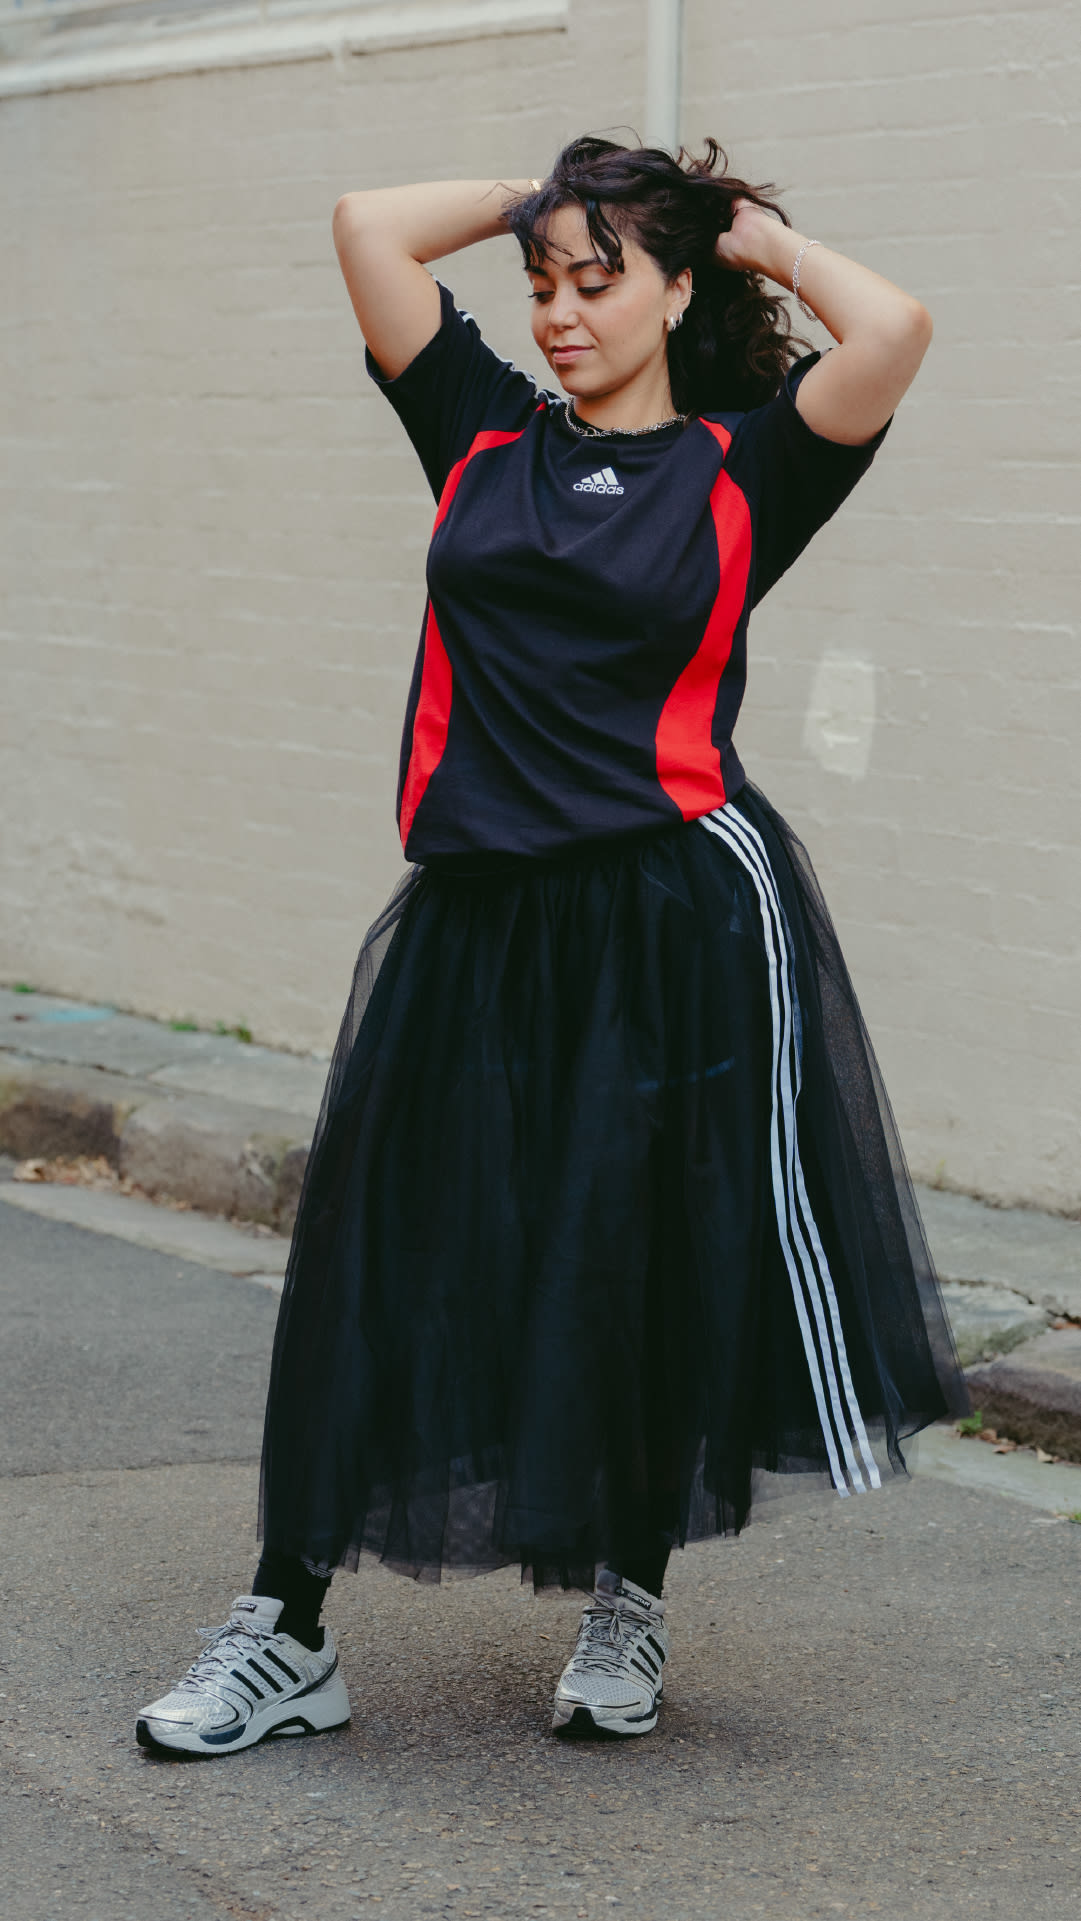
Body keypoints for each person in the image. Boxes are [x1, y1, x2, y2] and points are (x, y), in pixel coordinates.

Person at [137, 136, 966, 1754]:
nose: (561, 308)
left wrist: (738, 235)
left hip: (667, 915)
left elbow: (895, 330)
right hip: (475, 912)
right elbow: (366, 226)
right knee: (382, 1255)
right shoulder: (477, 430)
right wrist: (542, 189)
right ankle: (285, 1628)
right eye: (541, 283)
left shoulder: (745, 467)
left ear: (672, 289)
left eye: (598, 280)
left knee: (634, 1252)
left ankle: (627, 1595)